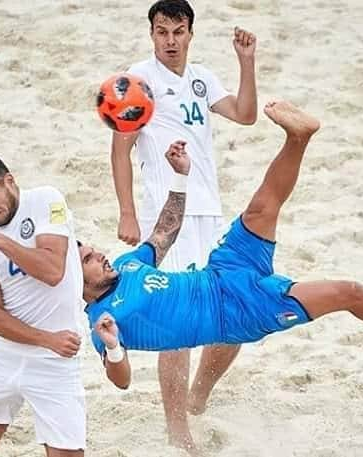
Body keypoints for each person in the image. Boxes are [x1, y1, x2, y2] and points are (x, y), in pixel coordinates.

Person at [81, 102, 363, 441]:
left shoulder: (128, 264)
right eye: (86, 260)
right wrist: (115, 346)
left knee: (261, 208)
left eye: (90, 249)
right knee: (349, 292)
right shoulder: (104, 320)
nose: (98, 253)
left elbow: (165, 231)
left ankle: (299, 137)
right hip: (239, 310)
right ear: (76, 285)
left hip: (222, 270)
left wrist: (182, 175)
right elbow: (122, 381)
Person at [110, 0, 257, 448]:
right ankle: (177, 429)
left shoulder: (201, 77)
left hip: (209, 211)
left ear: (191, 33)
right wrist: (129, 213)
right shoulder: (137, 82)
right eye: (161, 32)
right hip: (166, 214)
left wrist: (245, 63)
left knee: (233, 313)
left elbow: (246, 114)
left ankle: (198, 397)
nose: (170, 41)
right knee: (178, 321)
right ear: (151, 34)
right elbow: (120, 151)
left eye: (177, 31)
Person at [0, 154, 86, 457]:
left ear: (9, 181)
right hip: (7, 353)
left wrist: (0, 241)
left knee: (68, 454)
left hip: (56, 359)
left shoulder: (45, 200)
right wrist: (45, 339)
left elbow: (53, 271)